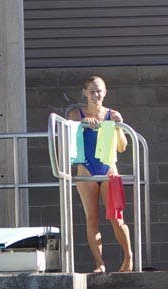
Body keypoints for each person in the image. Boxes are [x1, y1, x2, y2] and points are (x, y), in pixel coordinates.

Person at [67, 76, 133, 273]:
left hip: (108, 167)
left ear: (105, 93)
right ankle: (99, 263)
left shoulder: (111, 114)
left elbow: (122, 148)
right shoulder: (75, 114)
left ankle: (128, 257)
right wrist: (81, 125)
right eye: (92, 91)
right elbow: (67, 141)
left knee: (116, 218)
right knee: (92, 218)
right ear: (85, 93)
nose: (96, 95)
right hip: (86, 168)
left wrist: (118, 126)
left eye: (99, 91)